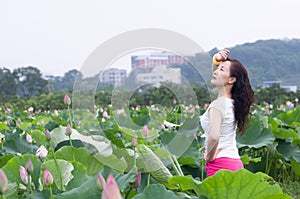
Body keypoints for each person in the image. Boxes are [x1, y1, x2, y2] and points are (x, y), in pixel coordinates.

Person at [200, 49, 255, 177]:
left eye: (221, 69)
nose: (215, 71)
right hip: (234, 162)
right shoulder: (232, 103)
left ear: (231, 80)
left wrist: (209, 156)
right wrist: (216, 59)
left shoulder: (218, 105)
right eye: (218, 68)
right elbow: (216, 74)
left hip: (220, 165)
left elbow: (214, 137)